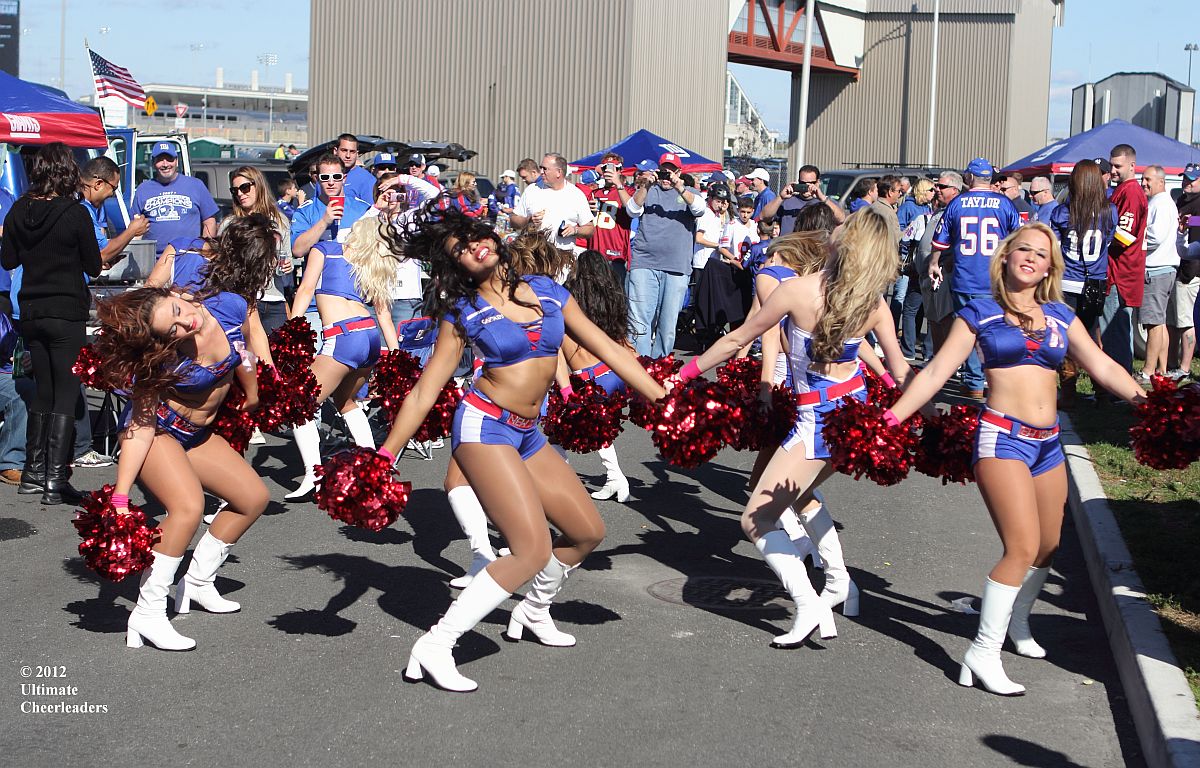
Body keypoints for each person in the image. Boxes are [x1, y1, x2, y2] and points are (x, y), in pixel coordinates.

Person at [375, 205, 666, 692]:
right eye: (459, 250)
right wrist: (386, 456)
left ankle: (532, 612)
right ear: (454, 266)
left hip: (529, 432)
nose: (474, 247)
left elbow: (611, 350)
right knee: (529, 549)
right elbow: (426, 390)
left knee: (586, 531)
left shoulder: (549, 291)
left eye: (475, 236)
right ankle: (436, 644)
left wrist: (666, 399)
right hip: (483, 429)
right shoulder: (461, 312)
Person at [883, 223, 1145, 695]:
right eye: (1022, 249)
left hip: (1048, 442)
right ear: (1005, 257)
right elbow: (937, 372)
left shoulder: (1062, 316)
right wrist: (891, 420)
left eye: (1041, 254)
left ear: (1050, 267)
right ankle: (981, 652)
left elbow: (1102, 366)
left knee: (1047, 546)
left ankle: (1017, 623)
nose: (1030, 257)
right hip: (1001, 439)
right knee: (1021, 546)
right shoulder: (979, 314)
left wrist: (1150, 402)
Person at [674, 209, 914, 647]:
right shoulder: (874, 302)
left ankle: (808, 603)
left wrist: (681, 375)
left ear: (847, 242)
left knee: (756, 518)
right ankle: (841, 582)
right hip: (852, 421)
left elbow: (736, 339)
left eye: (845, 225)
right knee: (801, 496)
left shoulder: (798, 290)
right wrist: (922, 415)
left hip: (817, 421)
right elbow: (899, 370)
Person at [94, 285, 267, 651]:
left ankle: (199, 583)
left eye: (177, 310)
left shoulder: (229, 307)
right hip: (158, 431)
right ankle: (148, 612)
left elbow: (244, 351)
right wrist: (121, 496)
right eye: (171, 329)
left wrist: (252, 393)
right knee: (188, 508)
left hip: (198, 434)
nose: (184, 322)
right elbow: (139, 426)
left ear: (177, 293)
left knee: (252, 498)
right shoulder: (162, 359)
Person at [0, 143, 102, 504]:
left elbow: (9, 257)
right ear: (65, 170)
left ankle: (33, 472)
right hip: (64, 310)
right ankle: (55, 480)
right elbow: (93, 264)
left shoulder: (18, 209)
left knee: (43, 388)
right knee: (65, 391)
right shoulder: (75, 212)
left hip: (30, 310)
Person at [283, 211, 401, 500]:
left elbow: (305, 290)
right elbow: (384, 316)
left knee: (301, 404)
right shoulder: (370, 264)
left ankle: (314, 474)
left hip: (343, 336)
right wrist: (396, 356)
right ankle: (375, 467)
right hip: (370, 336)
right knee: (346, 402)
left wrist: (291, 331)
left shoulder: (326, 250)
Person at [930, 158, 1021, 398]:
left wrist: (933, 263)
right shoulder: (1004, 204)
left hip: (965, 276)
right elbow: (1020, 238)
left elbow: (940, 241)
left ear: (969, 178)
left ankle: (974, 381)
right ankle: (990, 379)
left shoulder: (958, 203)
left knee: (968, 329)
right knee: (993, 330)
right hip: (993, 279)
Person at [561, 249, 635, 501]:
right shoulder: (611, 299)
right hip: (615, 371)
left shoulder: (569, 301)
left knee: (557, 432)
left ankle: (561, 486)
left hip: (589, 376)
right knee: (599, 431)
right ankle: (615, 478)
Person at [1046, 160, 1116, 406]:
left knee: (1065, 337)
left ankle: (1068, 391)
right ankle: (1102, 389)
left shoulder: (1062, 212)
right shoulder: (1110, 211)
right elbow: (1107, 242)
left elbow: (1053, 246)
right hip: (1094, 282)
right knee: (1092, 336)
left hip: (1067, 282)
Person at [624, 152, 706, 356]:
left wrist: (679, 186)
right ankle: (639, 368)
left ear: (678, 172)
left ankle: (660, 368)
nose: (666, 175)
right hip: (644, 263)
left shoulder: (689, 192)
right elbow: (632, 211)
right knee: (639, 321)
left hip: (676, 267)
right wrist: (646, 185)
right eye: (664, 170)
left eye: (671, 170)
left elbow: (700, 209)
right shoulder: (647, 190)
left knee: (668, 325)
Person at [221, 166, 294, 335]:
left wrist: (287, 266)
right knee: (247, 357)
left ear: (258, 186)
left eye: (245, 187)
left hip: (274, 298)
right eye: (235, 190)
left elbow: (286, 258)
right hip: (242, 300)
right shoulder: (230, 224)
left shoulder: (279, 221)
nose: (240, 194)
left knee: (278, 356)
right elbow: (221, 265)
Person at [1098, 143, 1148, 377]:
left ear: (1132, 165)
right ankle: (1117, 386)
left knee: (1114, 331)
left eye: (1118, 166)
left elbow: (1124, 236)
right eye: (1112, 165)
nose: (1114, 170)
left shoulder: (1130, 192)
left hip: (1121, 272)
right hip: (1118, 270)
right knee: (1117, 331)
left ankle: (1117, 389)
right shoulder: (1122, 190)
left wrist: (1098, 244)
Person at [131, 142, 218, 256]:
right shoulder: (143, 189)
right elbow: (134, 227)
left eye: (169, 159)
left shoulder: (196, 185)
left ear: (176, 161)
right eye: (160, 160)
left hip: (188, 256)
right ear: (153, 163)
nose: (165, 164)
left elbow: (209, 222)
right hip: (154, 259)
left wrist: (205, 254)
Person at [1138, 165, 1179, 381]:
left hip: (1157, 270)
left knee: (1153, 323)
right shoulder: (1161, 202)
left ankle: (1148, 370)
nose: (1143, 183)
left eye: (1147, 180)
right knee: (1159, 322)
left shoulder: (1161, 204)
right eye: (1143, 179)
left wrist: (1136, 242)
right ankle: (1161, 370)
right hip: (1162, 269)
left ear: (1161, 182)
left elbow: (1156, 236)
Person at [509, 153, 595, 255]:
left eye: (545, 169)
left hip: (563, 259)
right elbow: (513, 220)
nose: (541, 172)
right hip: (534, 256)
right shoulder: (532, 190)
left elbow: (590, 229)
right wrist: (528, 220)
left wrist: (575, 230)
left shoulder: (576, 194)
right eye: (541, 168)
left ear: (558, 172)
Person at [916, 172, 963, 355]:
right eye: (937, 186)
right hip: (927, 275)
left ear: (954, 189)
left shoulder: (957, 210)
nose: (937, 189)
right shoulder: (940, 209)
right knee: (934, 320)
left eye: (941, 186)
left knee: (945, 320)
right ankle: (936, 359)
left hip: (943, 274)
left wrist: (950, 261)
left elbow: (961, 241)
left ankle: (947, 364)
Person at [1168, 163, 1200, 378]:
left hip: (1192, 270)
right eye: (1185, 178)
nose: (1187, 182)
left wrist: (1192, 220)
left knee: (1186, 321)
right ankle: (1171, 364)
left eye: (1192, 179)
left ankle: (1185, 368)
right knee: (1173, 321)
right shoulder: (1181, 200)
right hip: (1177, 266)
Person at [759, 165, 847, 235]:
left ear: (817, 183)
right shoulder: (787, 202)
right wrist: (781, 197)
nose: (807, 187)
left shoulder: (826, 203)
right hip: (789, 251)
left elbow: (841, 219)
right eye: (802, 183)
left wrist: (822, 198)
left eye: (811, 183)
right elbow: (763, 216)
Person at [591, 154, 636, 283]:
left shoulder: (628, 191)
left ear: (620, 170)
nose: (608, 172)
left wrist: (618, 184)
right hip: (595, 253)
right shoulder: (594, 193)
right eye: (605, 168)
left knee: (615, 297)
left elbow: (632, 208)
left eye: (613, 168)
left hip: (616, 254)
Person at [333, 133, 377, 205]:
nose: (348, 156)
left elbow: (371, 212)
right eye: (344, 150)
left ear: (357, 154)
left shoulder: (367, 180)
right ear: (335, 151)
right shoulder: (325, 177)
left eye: (352, 152)